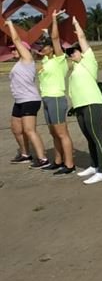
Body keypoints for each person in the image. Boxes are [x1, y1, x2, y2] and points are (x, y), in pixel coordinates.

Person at [66, 16, 102, 184]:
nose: (71, 54)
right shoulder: (75, 68)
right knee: (89, 137)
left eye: (74, 51)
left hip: (92, 103)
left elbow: (82, 39)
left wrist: (76, 24)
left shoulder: (89, 61)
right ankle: (94, 165)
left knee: (96, 136)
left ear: (82, 53)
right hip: (80, 106)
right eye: (69, 53)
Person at [5, 19, 49, 168]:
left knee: (29, 130)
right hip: (19, 100)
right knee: (16, 129)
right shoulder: (19, 64)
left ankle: (43, 159)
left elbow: (16, 40)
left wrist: (10, 25)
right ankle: (25, 154)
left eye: (15, 49)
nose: (12, 51)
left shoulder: (27, 59)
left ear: (23, 50)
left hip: (29, 100)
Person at [37, 11, 74, 174]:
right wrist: (45, 33)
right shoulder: (45, 60)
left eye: (45, 46)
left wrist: (53, 19)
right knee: (53, 133)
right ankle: (58, 161)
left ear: (52, 48)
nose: (41, 48)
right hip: (46, 99)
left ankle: (69, 164)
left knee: (62, 133)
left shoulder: (59, 59)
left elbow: (55, 38)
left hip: (56, 98)